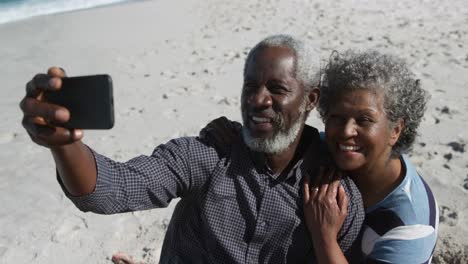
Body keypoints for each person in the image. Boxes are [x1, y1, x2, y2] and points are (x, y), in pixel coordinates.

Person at [19, 35, 364, 263]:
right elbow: (113, 189)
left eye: (276, 88)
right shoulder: (210, 154)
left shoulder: (332, 197)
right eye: (250, 86)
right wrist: (64, 144)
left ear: (310, 99)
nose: (258, 100)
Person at [302, 50, 438, 263]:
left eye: (364, 120)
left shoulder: (411, 227)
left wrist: (324, 236)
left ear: (396, 130)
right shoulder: (324, 150)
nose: (347, 131)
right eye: (337, 117)